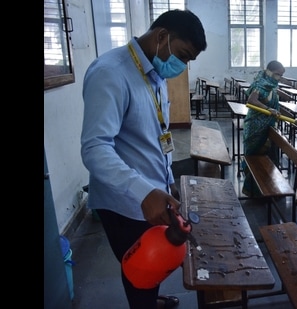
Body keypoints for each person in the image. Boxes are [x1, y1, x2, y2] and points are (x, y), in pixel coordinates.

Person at [80, 10, 207, 309]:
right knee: (138, 267)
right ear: (162, 36)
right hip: (124, 201)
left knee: (154, 257)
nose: (182, 66)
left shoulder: (155, 72)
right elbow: (95, 148)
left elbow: (157, 134)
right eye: (183, 55)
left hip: (153, 190)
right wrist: (144, 191)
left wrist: (167, 180)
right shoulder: (110, 72)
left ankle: (151, 296)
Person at [241, 60, 285, 196]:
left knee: (266, 157)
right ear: (269, 72)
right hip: (256, 128)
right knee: (255, 157)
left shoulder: (270, 84)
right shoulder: (261, 84)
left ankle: (266, 189)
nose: (279, 78)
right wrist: (268, 109)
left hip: (266, 126)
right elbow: (251, 100)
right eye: (278, 74)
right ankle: (255, 191)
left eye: (281, 75)